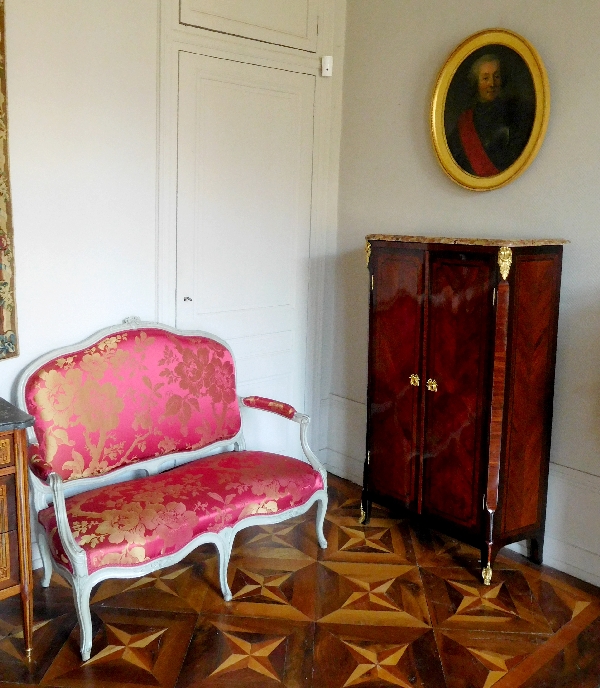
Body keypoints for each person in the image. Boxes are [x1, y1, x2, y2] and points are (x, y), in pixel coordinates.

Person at [447, 54, 534, 176]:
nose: (492, 84)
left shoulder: (516, 111)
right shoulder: (466, 121)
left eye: (496, 76)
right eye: (485, 78)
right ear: (476, 82)